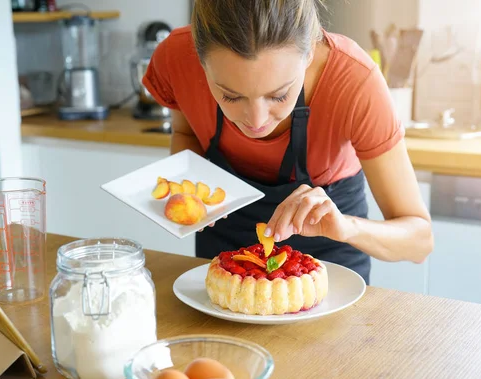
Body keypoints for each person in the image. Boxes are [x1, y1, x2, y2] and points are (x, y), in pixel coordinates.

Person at [142, 0, 433, 284]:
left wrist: (345, 227)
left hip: (330, 264)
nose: (256, 121)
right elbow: (186, 133)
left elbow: (420, 241)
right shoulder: (176, 57)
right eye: (230, 95)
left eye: (279, 95)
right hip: (221, 259)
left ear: (309, 55)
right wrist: (190, 184)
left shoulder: (355, 82)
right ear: (198, 59)